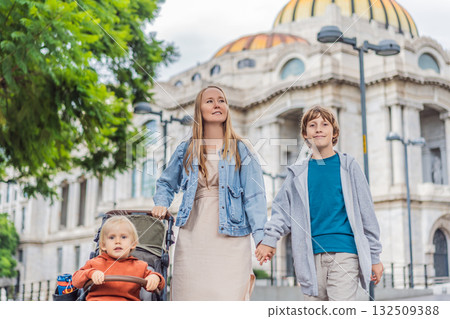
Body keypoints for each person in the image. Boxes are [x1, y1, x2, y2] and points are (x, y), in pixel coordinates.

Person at [255, 106, 383, 301]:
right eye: (312, 125)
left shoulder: (349, 167)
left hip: (345, 254)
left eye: (325, 124)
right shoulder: (296, 173)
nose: (318, 129)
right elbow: (281, 211)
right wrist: (270, 239)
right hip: (308, 259)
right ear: (305, 134)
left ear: (334, 132)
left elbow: (367, 215)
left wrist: (374, 257)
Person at [152, 85, 267, 300]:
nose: (217, 104)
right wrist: (161, 203)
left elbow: (255, 196)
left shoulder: (242, 148)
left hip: (232, 236)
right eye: (210, 101)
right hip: (193, 232)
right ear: (199, 110)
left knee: (227, 297)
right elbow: (166, 183)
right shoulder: (186, 149)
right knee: (190, 296)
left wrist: (261, 238)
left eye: (222, 100)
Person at [72, 216, 165, 301]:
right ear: (103, 245)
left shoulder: (140, 266)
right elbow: (76, 281)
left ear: (133, 244)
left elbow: (160, 284)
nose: (117, 241)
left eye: (123, 237)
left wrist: (155, 278)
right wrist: (91, 273)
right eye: (112, 237)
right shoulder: (94, 263)